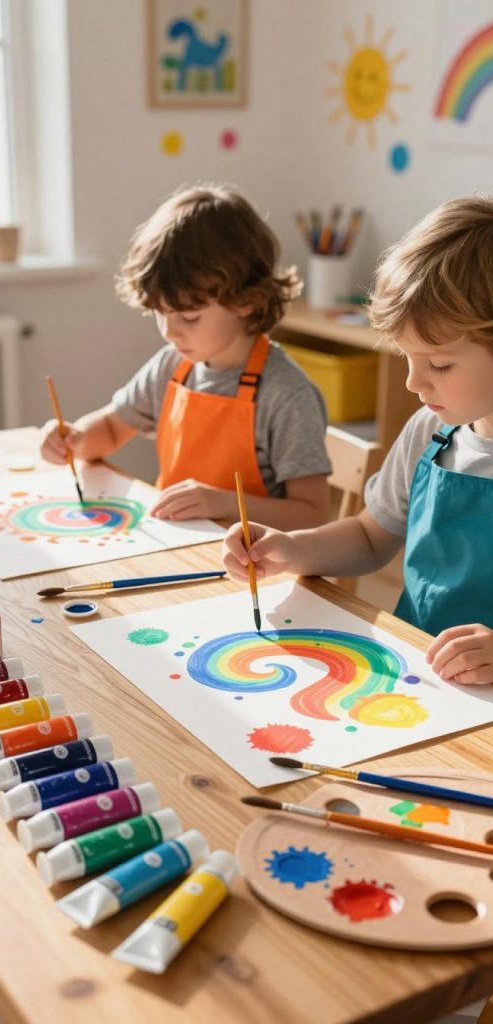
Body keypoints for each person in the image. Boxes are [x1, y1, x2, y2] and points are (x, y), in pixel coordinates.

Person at [223, 195, 493, 684]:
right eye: (405, 358)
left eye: (440, 364)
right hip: (422, 683)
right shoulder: (430, 432)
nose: (413, 383)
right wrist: (291, 549)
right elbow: (370, 537)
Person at [40, 184, 331, 530]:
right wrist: (75, 439)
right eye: (160, 313)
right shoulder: (171, 366)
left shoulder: (286, 395)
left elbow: (312, 514)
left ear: (247, 300)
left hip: (255, 570)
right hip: (180, 549)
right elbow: (111, 428)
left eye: (189, 318)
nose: (170, 332)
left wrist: (223, 503)